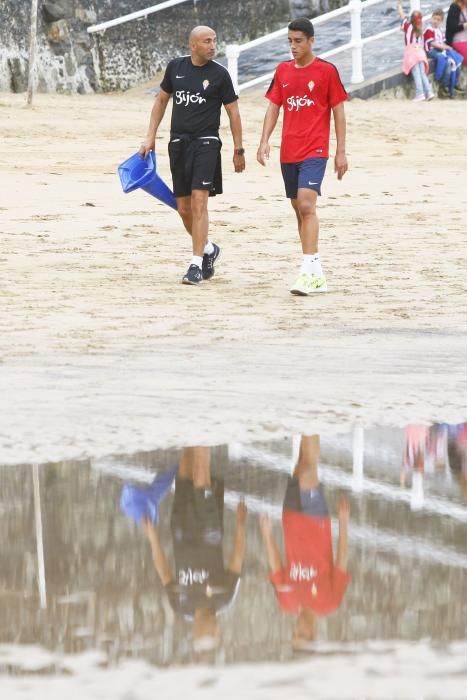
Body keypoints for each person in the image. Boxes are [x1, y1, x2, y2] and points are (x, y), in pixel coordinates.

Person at [139, 26, 245, 286]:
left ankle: (196, 264)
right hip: (178, 144)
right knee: (183, 207)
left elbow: (233, 113)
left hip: (207, 143)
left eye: (214, 40)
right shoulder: (176, 68)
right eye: (207, 41)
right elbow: (161, 101)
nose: (212, 45)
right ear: (193, 46)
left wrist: (238, 149)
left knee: (199, 202)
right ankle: (208, 248)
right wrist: (150, 136)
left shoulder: (220, 75)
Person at [256, 17, 348, 296]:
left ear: (311, 41)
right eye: (290, 41)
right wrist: (264, 140)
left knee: (307, 206)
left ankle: (307, 271)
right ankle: (316, 272)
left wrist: (341, 151)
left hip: (315, 149)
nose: (293, 46)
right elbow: (273, 108)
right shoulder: (282, 71)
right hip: (289, 151)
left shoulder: (327, 71)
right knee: (298, 210)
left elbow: (339, 112)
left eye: (298, 41)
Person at [142, 446, 248, 654]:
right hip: (208, 530)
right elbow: (237, 560)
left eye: (211, 633)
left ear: (197, 631)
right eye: (216, 633)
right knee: (201, 475)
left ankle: (194, 429)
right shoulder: (223, 599)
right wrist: (241, 525)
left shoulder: (180, 604)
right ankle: (205, 431)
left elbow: (164, 572)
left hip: (181, 529)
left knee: (186, 466)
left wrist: (152, 536)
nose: (216, 629)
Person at [259, 435, 351, 649]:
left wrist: (267, 534)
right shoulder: (330, 603)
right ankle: (312, 416)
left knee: (302, 465)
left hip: (290, 519)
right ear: (312, 633)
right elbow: (342, 562)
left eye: (295, 633)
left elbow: (276, 567)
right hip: (316, 521)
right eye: (303, 633)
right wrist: (343, 523)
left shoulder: (286, 602)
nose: (298, 628)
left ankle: (307, 421)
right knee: (309, 470)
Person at [397, 1, 435, 102]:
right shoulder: (420, 30)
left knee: (417, 74)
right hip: (420, 52)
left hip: (412, 52)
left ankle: (420, 94)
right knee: (423, 73)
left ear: (411, 19)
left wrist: (399, 5)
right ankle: (429, 92)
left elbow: (402, 15)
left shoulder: (408, 26)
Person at [424, 8, 464, 98]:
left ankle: (454, 82)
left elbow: (442, 41)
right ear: (431, 18)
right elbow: (432, 43)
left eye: (438, 20)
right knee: (446, 62)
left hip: (439, 49)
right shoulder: (429, 29)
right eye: (434, 19)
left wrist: (449, 48)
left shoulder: (439, 30)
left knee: (455, 59)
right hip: (431, 50)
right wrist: (444, 47)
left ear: (441, 21)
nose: (435, 21)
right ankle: (444, 84)